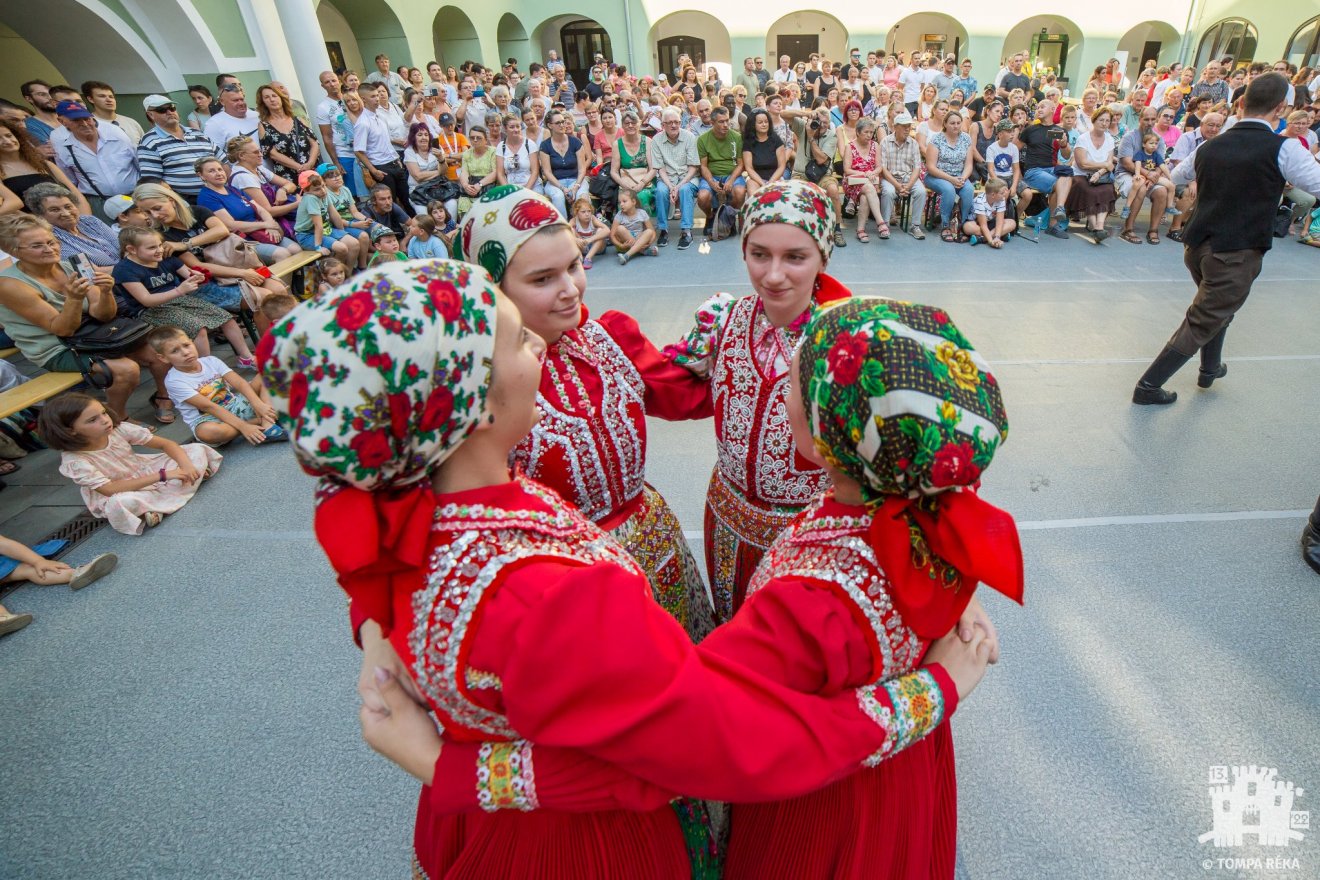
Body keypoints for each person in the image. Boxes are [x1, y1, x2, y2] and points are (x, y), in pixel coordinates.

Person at [259, 254, 986, 880]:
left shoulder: (405, 504)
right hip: (583, 845)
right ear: (468, 407)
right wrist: (937, 689)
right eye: (518, 339)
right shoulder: (547, 596)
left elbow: (373, 562)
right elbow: (716, 747)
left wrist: (380, 642)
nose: (542, 348)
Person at [663, 180, 850, 620]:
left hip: (810, 533)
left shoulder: (846, 337)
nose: (773, 275)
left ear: (823, 256)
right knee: (732, 630)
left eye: (795, 257)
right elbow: (667, 382)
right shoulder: (722, 319)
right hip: (727, 519)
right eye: (759, 253)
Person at [1133, 73, 1320, 405]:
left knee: (1217, 308)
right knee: (1205, 316)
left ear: (1242, 103)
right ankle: (1148, 386)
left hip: (1198, 244)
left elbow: (1176, 176)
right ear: (1281, 107)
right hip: (1236, 249)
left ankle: (1210, 368)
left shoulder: (1210, 145)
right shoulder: (1284, 148)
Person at [0, 213, 172, 421]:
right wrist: (73, 298)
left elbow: (104, 314)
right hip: (56, 346)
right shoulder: (10, 284)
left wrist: (106, 291)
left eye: (51, 241)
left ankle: (163, 397)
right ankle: (118, 418)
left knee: (159, 351)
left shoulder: (71, 265)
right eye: (37, 246)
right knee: (126, 369)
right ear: (13, 251)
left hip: (93, 332)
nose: (50, 249)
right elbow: (62, 330)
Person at [39, 392, 220, 534]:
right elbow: (109, 489)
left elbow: (166, 444)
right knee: (120, 504)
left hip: (146, 470)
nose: (104, 420)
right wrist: (163, 475)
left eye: (102, 413)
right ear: (70, 431)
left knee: (194, 450)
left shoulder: (117, 430)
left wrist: (185, 465)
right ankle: (182, 486)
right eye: (92, 420)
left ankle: (159, 505)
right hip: (122, 489)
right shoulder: (75, 461)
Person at [112, 225, 254, 363]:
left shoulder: (165, 257)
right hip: (150, 310)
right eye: (152, 247)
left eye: (160, 245)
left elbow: (188, 274)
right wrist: (179, 290)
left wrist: (197, 276)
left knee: (226, 318)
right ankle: (206, 371)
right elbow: (146, 300)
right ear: (131, 249)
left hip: (178, 300)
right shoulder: (125, 269)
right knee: (198, 328)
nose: (159, 250)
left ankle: (246, 357)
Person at [152, 325, 284, 446]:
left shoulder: (211, 361)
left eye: (186, 345)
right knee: (207, 433)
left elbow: (240, 383)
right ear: (163, 358)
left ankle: (266, 423)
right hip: (210, 418)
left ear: (192, 342)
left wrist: (257, 404)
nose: (185, 352)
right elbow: (208, 406)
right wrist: (243, 427)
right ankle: (260, 420)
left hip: (235, 404)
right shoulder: (174, 381)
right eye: (175, 351)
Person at [195, 157, 299, 263]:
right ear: (201, 175)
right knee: (282, 254)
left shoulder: (233, 190)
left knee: (296, 250)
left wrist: (270, 225)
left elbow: (261, 210)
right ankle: (276, 280)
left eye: (220, 169)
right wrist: (265, 225)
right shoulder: (206, 197)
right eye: (211, 171)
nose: (218, 173)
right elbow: (230, 225)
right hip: (242, 240)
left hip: (262, 231)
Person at [50, 100, 137, 214]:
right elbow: (70, 181)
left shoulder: (116, 136)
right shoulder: (64, 149)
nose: (85, 124)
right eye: (76, 120)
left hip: (134, 196)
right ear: (62, 122)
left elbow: (138, 162)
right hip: (99, 203)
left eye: (87, 119)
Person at [136, 95, 223, 204]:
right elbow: (153, 182)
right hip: (188, 201)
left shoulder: (197, 133)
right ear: (151, 114)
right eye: (162, 110)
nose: (169, 112)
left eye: (172, 108)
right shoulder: (149, 142)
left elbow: (223, 162)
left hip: (219, 193)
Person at [0, 117, 87, 214]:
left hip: (71, 219)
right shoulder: (1, 172)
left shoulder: (45, 164)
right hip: (35, 226)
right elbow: (13, 210)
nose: (7, 141)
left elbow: (77, 196)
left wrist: (85, 221)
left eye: (9, 135)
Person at [1015, 99, 1072, 238]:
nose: (1039, 109)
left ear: (1053, 109)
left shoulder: (1060, 131)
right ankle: (1054, 222)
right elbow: (1014, 149)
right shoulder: (1031, 130)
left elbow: (1066, 154)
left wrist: (1064, 144)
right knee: (1057, 185)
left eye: (1042, 106)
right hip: (1033, 171)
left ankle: (1056, 214)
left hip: (1051, 169)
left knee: (1067, 174)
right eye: (1038, 107)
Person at [28, 182, 118, 269]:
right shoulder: (51, 239)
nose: (66, 213)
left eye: (68, 206)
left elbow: (125, 247)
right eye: (55, 210)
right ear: (40, 216)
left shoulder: (90, 221)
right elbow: (89, 271)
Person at [353, 84, 410, 209]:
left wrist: (397, 159)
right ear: (363, 99)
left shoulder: (379, 115)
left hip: (394, 162)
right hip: (381, 166)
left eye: (377, 95)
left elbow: (386, 141)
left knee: (407, 197)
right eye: (373, 96)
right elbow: (358, 150)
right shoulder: (363, 122)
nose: (377, 98)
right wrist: (373, 170)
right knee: (389, 202)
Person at [1068, 107, 1118, 242]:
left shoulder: (1109, 139)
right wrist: (1103, 166)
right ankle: (1094, 226)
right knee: (1088, 190)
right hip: (1080, 175)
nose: (1104, 123)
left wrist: (1099, 173)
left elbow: (1109, 164)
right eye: (1101, 120)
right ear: (1094, 120)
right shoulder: (1083, 138)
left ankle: (1099, 227)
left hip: (1100, 176)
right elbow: (1082, 164)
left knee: (1107, 189)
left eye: (1107, 121)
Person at [226, 135, 299, 225]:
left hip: (280, 216)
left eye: (260, 151)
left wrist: (283, 190)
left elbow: (290, 184)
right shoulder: (243, 177)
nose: (261, 155)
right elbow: (268, 211)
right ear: (242, 156)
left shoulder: (258, 168)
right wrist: (297, 204)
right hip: (267, 223)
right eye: (256, 152)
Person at [926, 110, 976, 242]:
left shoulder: (966, 138)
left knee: (969, 189)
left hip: (959, 176)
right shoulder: (937, 139)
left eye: (959, 123)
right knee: (949, 189)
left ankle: (963, 224)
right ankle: (945, 225)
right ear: (945, 124)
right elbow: (930, 167)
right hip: (937, 176)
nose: (956, 126)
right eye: (952, 123)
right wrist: (951, 179)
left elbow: (969, 165)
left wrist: (963, 178)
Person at [696, 106, 746, 236]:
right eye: (721, 122)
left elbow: (741, 164)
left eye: (727, 120)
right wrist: (712, 182)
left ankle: (728, 217)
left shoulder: (737, 137)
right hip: (712, 175)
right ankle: (710, 216)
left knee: (740, 192)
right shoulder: (703, 139)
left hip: (732, 173)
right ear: (712, 123)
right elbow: (703, 166)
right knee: (702, 197)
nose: (726, 125)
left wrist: (731, 180)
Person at [293, 170, 357, 267]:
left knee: (353, 243)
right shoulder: (311, 199)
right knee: (342, 248)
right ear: (306, 191)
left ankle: (347, 275)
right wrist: (318, 247)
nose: (322, 191)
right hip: (307, 235)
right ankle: (329, 274)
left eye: (323, 186)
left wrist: (341, 232)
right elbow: (318, 225)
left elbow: (334, 214)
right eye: (317, 189)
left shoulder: (323, 194)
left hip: (326, 229)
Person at [879, 112, 927, 240]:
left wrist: (908, 186)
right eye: (904, 126)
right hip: (890, 177)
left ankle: (915, 226)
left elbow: (917, 168)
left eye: (909, 126)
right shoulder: (885, 142)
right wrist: (898, 186)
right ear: (895, 127)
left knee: (921, 191)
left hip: (908, 177)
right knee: (888, 191)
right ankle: (885, 225)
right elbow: (883, 169)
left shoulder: (914, 143)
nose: (907, 129)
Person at [257, 84, 319, 178]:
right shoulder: (264, 126)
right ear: (263, 102)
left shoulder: (299, 120)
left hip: (312, 171)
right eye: (267, 97)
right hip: (288, 175)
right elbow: (272, 153)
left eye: (274, 96)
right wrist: (299, 167)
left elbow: (314, 144)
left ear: (281, 98)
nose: (272, 99)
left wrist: (310, 164)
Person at [842, 117, 887, 242]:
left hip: (870, 180)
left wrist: (872, 172)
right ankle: (880, 222)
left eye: (871, 132)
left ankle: (860, 230)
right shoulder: (849, 147)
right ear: (858, 132)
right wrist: (865, 174)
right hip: (853, 181)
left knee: (865, 195)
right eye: (866, 132)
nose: (869, 135)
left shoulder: (875, 145)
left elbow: (879, 167)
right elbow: (847, 170)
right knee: (868, 188)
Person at [539, 110, 589, 217]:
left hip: (576, 180)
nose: (562, 125)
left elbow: (582, 169)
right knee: (558, 196)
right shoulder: (545, 146)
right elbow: (547, 172)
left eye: (563, 122)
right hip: (555, 183)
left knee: (581, 197)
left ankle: (581, 229)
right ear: (549, 125)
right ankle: (563, 228)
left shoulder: (575, 142)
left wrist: (576, 186)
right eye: (558, 123)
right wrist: (562, 188)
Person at [204, 82, 259, 150]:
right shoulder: (214, 124)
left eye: (242, 99)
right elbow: (212, 154)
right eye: (235, 100)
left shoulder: (257, 116)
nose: (241, 103)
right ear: (222, 102)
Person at [457, 126, 497, 216]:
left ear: (485, 140)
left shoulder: (493, 152)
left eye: (478, 138)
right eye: (472, 138)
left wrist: (480, 184)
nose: (475, 140)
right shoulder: (467, 154)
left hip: (487, 186)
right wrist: (466, 186)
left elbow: (496, 172)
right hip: (471, 186)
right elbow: (464, 172)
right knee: (464, 202)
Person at [610, 187, 656, 265]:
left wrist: (650, 242)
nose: (621, 204)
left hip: (640, 240)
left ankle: (627, 255)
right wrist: (621, 245)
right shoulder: (619, 215)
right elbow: (612, 235)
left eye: (624, 201)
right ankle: (642, 251)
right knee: (620, 228)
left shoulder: (642, 213)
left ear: (633, 202)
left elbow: (653, 233)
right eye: (619, 202)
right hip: (626, 244)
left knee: (649, 231)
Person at [963, 177, 1015, 246]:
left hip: (991, 223)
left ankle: (981, 239)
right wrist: (991, 242)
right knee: (967, 227)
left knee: (1012, 223)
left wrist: (997, 237)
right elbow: (983, 225)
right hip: (978, 224)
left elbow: (1000, 221)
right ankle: (1001, 235)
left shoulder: (1001, 199)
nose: (1004, 194)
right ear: (993, 195)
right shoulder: (979, 201)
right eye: (1002, 193)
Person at [570, 195, 609, 267]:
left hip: (597, 247)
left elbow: (607, 230)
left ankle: (588, 258)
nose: (587, 214)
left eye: (589, 211)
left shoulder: (593, 219)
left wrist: (590, 239)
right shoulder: (574, 220)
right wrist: (575, 239)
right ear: (576, 213)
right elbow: (565, 232)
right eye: (583, 212)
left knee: (601, 230)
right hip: (583, 247)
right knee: (570, 230)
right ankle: (579, 257)